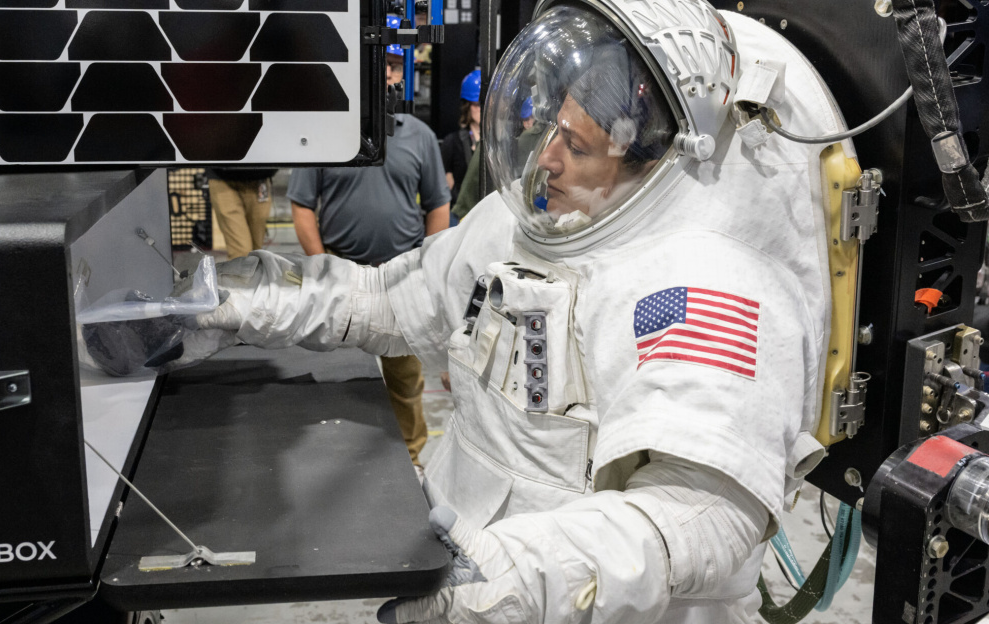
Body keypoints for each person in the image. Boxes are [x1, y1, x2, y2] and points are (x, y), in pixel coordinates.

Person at [187, 0, 850, 621]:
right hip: (456, 540)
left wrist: (509, 581)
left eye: (580, 148)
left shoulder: (695, 284)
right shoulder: (519, 222)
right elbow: (387, 299)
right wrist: (234, 308)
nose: (550, 160)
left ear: (650, 167)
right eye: (555, 130)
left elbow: (707, 517)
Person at [286, 15, 451, 469]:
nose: (386, 75)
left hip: (402, 279)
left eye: (393, 67)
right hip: (342, 276)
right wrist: (321, 267)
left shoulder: (420, 137)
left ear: (401, 74)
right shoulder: (325, 132)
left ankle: (415, 463)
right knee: (336, 378)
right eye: (377, 66)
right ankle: (330, 463)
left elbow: (438, 205)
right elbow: (302, 205)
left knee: (404, 382)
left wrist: (429, 265)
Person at [206, 168, 278, 260]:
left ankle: (252, 272)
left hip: (259, 178)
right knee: (241, 252)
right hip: (222, 178)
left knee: (257, 252)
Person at [440, 70, 482, 213]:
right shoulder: (452, 142)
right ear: (467, 106)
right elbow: (446, 185)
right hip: (462, 215)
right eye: (477, 104)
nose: (482, 109)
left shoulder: (499, 144)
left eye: (485, 103)